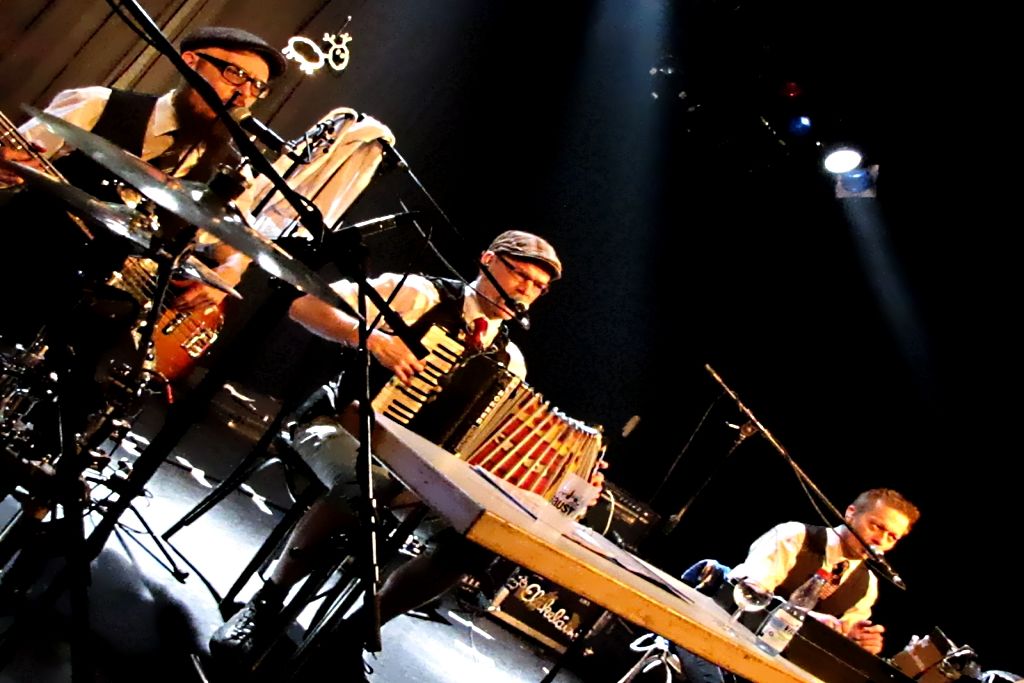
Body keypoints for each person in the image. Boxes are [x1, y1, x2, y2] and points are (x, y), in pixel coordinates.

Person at [209, 229, 604, 677]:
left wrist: (570, 474)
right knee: (366, 484)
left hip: (419, 475)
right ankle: (267, 602)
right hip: (337, 425)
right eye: (520, 275)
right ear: (487, 260)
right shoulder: (420, 295)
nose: (525, 291)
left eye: (538, 287)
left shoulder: (509, 361)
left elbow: (495, 445)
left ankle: (350, 634)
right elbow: (303, 304)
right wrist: (368, 338)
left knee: (473, 545)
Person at [0, 26, 287, 356]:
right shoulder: (97, 105)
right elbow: (12, 163)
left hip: (90, 324)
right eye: (235, 74)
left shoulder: (232, 173)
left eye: (257, 87)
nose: (244, 95)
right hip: (18, 271)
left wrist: (228, 275)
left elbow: (238, 244)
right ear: (190, 61)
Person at [676, 488, 920, 683]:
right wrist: (809, 621)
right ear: (850, 514)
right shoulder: (795, 536)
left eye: (892, 537)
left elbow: (839, 643)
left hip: (775, 667)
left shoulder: (868, 585)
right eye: (876, 526)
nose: (880, 541)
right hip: (716, 636)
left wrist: (857, 644)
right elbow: (749, 591)